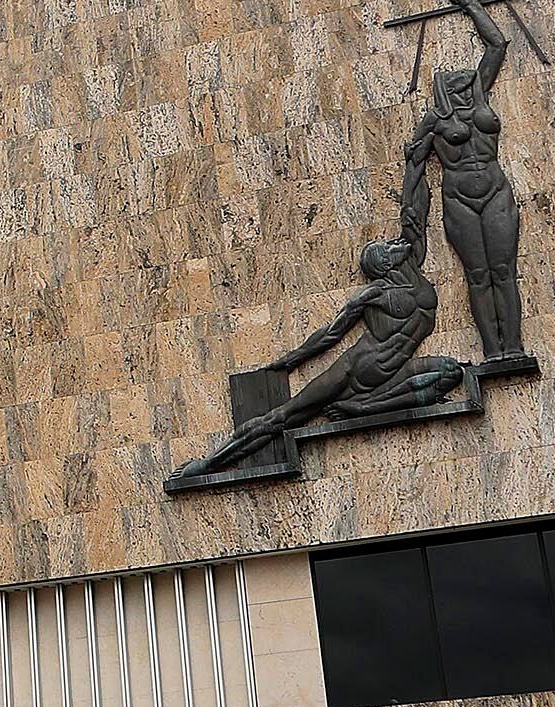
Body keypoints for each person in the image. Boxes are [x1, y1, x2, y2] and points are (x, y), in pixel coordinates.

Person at [171, 149, 467, 484]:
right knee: (284, 416)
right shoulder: (375, 294)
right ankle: (210, 464)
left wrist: (416, 164)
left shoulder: (413, 268)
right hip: (354, 370)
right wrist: (288, 361)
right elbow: (331, 335)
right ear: (384, 264)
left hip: (390, 375)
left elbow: (414, 213)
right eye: (387, 247)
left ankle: (365, 408)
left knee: (450, 372)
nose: (395, 243)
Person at [413, 0, 524, 362]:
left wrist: (472, 6)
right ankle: (493, 351)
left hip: (494, 189)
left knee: (503, 270)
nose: (462, 88)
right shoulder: (434, 120)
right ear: (443, 90)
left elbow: (498, 46)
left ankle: (514, 346)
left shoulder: (482, 102)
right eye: (454, 86)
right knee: (478, 275)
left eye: (467, 83)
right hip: (458, 196)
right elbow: (414, 165)